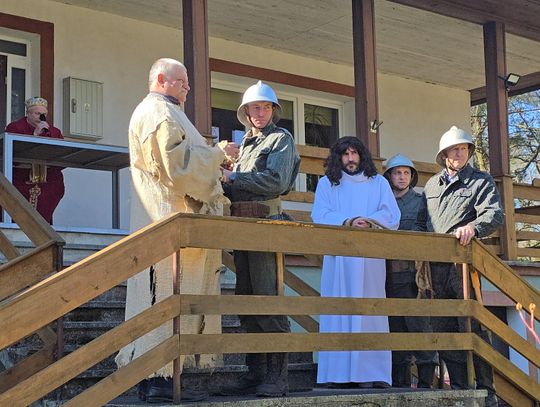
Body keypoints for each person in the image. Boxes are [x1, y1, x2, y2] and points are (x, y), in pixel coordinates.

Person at [114, 58, 238, 403]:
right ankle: (160, 380)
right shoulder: (158, 112)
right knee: (164, 296)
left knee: (170, 300)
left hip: (172, 220)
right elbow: (177, 165)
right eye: (181, 80)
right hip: (168, 221)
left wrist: (214, 164)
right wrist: (217, 154)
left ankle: (162, 379)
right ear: (161, 78)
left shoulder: (168, 111)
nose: (188, 87)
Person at [219, 81, 300, 398]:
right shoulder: (246, 144)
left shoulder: (281, 139)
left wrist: (234, 176)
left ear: (273, 111)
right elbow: (234, 185)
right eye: (256, 107)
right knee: (247, 301)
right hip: (242, 227)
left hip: (266, 225)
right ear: (246, 112)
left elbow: (275, 181)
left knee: (268, 299)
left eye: (266, 107)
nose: (261, 112)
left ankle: (278, 376)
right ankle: (255, 373)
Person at [415, 126, 503, 407]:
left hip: (463, 264)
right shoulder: (431, 185)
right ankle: (460, 389)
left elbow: (494, 214)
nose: (460, 153)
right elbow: (420, 222)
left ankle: (487, 392)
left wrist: (473, 227)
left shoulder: (480, 181)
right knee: (444, 326)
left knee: (474, 326)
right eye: (455, 149)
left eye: (464, 148)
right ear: (444, 155)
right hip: (434, 267)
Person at [312, 136, 400, 388]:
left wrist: (368, 221)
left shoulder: (379, 183)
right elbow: (320, 214)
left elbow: (391, 214)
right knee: (338, 311)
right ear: (338, 157)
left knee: (369, 312)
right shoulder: (327, 183)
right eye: (345, 154)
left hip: (369, 257)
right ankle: (336, 374)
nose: (350, 159)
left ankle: (370, 374)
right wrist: (348, 221)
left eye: (354, 153)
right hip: (338, 258)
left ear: (362, 155)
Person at [383, 154, 437, 388]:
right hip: (385, 275)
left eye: (406, 173)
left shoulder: (420, 201)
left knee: (418, 327)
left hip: (414, 275)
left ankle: (426, 385)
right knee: (395, 331)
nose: (402, 177)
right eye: (397, 173)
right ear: (389, 176)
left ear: (412, 176)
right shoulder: (382, 201)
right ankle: (399, 386)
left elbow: (428, 231)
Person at [5, 97, 65, 224]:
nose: (41, 117)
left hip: (47, 178)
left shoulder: (55, 132)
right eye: (38, 113)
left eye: (44, 114)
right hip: (21, 178)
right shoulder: (14, 127)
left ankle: (44, 227)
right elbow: (11, 152)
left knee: (54, 191)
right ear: (28, 113)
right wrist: (35, 135)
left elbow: (62, 155)